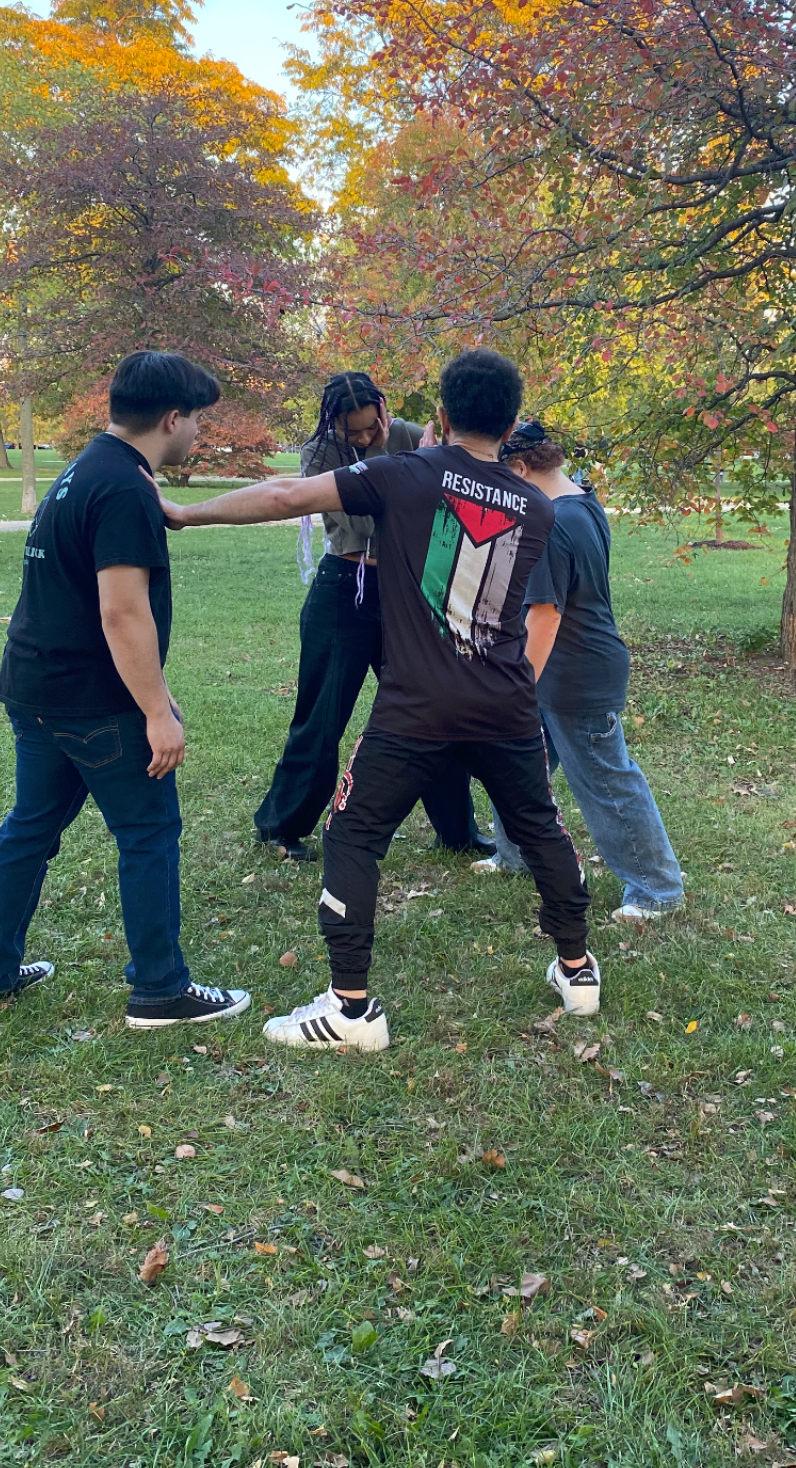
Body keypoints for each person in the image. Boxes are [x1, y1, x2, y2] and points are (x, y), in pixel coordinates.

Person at [151, 349, 597, 1052]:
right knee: (541, 829)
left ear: (441, 413)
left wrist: (183, 512)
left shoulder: (405, 472)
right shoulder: (539, 508)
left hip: (418, 705)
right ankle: (577, 970)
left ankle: (351, 1009)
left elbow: (285, 496)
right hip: (506, 702)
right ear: (512, 425)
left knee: (353, 834)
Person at [0, 350, 251, 1030]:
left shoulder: (84, 470)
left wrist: (157, 692)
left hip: (36, 688)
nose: (198, 432)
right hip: (95, 702)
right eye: (197, 420)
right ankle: (160, 990)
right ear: (173, 418)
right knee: (148, 832)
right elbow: (121, 612)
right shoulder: (123, 488)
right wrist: (156, 711)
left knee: (30, 829)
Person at [253, 370, 491, 860]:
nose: (363, 438)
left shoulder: (412, 435)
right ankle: (282, 827)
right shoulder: (320, 453)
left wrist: (411, 460)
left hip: (406, 592)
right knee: (322, 715)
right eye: (352, 432)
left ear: (384, 407)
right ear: (333, 424)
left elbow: (450, 506)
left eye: (371, 426)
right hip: (344, 588)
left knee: (433, 708)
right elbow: (361, 518)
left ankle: (457, 832)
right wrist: (407, 468)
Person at [476, 422, 684, 919]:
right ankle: (515, 853)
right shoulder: (581, 500)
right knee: (515, 763)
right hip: (559, 669)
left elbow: (545, 616)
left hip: (576, 675)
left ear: (521, 469)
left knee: (607, 783)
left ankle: (657, 890)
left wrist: (516, 688)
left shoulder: (550, 522)